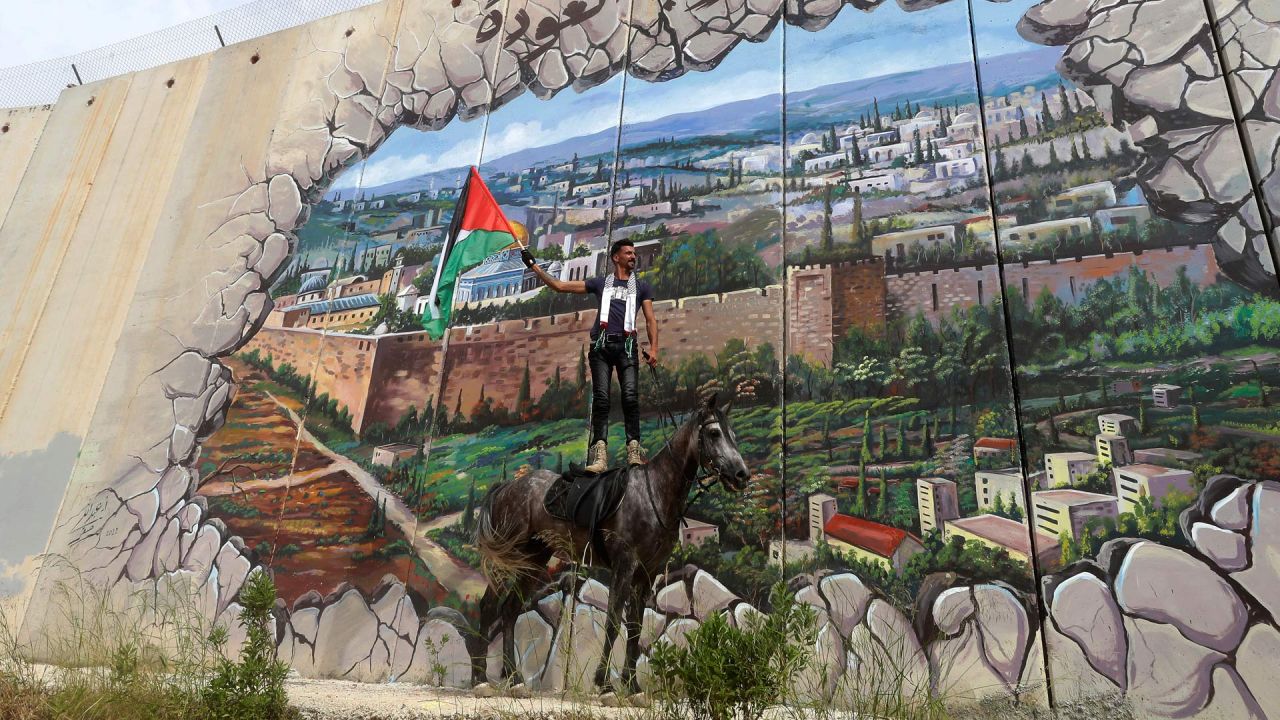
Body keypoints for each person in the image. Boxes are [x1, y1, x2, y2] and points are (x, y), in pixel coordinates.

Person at [522, 239, 659, 471]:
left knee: (630, 397)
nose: (633, 256)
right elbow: (559, 286)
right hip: (601, 348)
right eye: (628, 253)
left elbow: (650, 318)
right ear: (616, 257)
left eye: (634, 253)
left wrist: (654, 348)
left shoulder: (642, 286)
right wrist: (534, 267)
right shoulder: (600, 284)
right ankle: (600, 455)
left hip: (627, 347)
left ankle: (634, 450)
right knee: (602, 399)